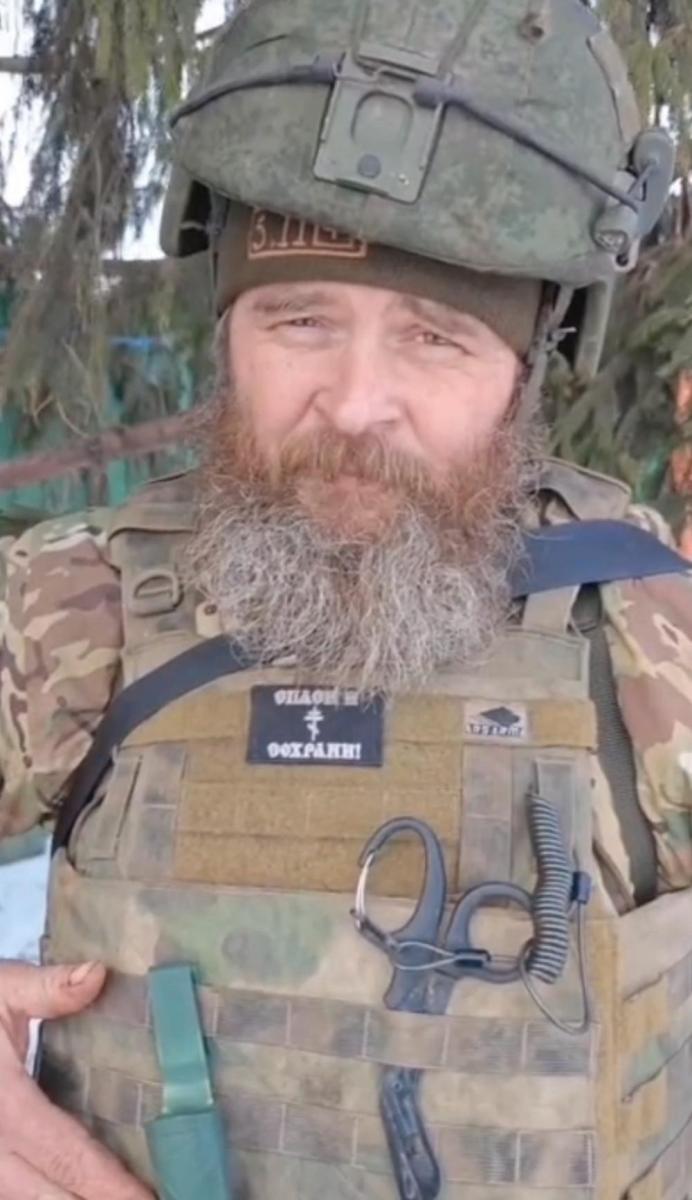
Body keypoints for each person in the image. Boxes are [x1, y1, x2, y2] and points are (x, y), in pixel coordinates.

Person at [0, 1, 690, 1197]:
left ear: (525, 368)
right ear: (228, 331)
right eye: (300, 319)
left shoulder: (651, 642)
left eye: (435, 336)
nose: (355, 403)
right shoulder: (78, 609)